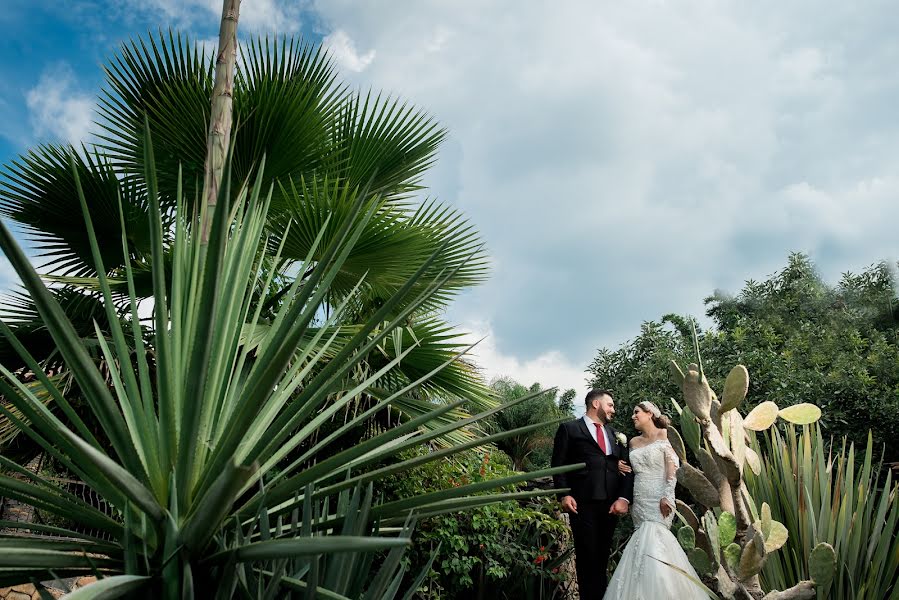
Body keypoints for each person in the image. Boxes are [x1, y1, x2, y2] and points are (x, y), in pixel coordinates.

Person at [603, 401, 708, 599]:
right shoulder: (633, 442)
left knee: (656, 539)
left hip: (659, 496)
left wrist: (667, 495)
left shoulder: (666, 436)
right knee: (641, 540)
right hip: (639, 498)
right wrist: (618, 466)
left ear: (649, 413)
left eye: (637, 412)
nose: (633, 416)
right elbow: (630, 471)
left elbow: (672, 468)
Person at [551, 389, 634, 600]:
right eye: (610, 405)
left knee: (602, 558)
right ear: (596, 404)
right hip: (582, 503)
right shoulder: (569, 429)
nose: (613, 410)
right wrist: (564, 495)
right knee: (587, 557)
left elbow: (626, 470)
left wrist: (623, 498)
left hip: (610, 506)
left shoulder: (616, 435)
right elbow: (558, 465)